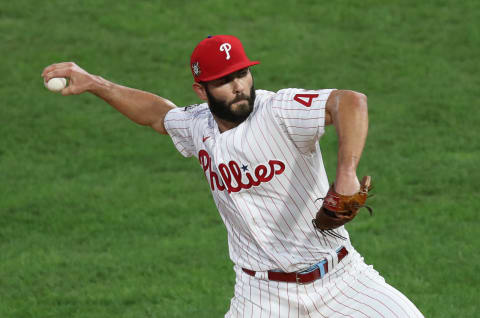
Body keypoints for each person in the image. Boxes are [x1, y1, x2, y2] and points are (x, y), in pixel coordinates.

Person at [42, 35, 423, 317]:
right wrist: (94, 82)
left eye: (242, 73)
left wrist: (346, 176)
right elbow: (158, 115)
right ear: (201, 89)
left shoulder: (280, 110)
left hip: (341, 280)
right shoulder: (197, 126)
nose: (239, 85)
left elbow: (350, 101)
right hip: (262, 296)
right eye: (224, 80)